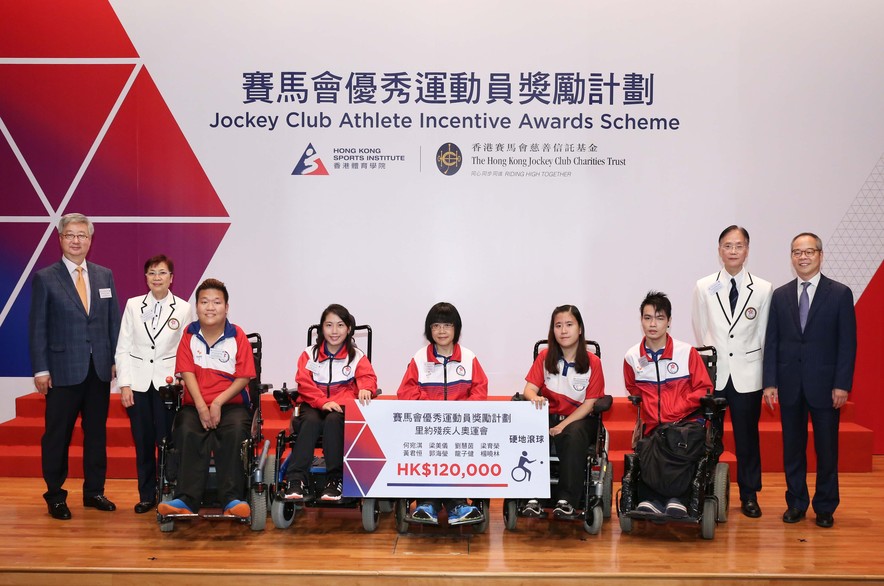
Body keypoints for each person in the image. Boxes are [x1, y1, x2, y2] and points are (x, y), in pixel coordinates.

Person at [29, 213, 121, 520]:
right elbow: (38, 327)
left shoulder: (104, 275)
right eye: (70, 235)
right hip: (62, 370)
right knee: (57, 435)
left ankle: (94, 491)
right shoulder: (45, 277)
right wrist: (41, 369)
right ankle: (55, 495)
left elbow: (112, 323)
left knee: (96, 434)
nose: (76, 240)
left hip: (98, 370)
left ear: (90, 240)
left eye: (82, 235)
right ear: (60, 238)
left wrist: (114, 361)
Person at [763, 232, 856, 528]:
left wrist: (842, 384)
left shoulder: (840, 293)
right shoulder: (780, 296)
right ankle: (796, 503)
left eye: (809, 252)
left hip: (826, 387)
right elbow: (772, 341)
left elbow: (847, 343)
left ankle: (826, 506)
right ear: (791, 257)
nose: (803, 257)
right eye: (796, 252)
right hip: (789, 385)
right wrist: (770, 383)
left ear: (820, 255)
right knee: (793, 448)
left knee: (827, 450)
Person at [691, 225, 772, 518]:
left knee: (747, 437)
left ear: (747, 250)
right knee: (711, 438)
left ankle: (749, 495)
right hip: (715, 376)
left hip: (748, 375)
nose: (733, 251)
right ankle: (709, 490)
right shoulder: (704, 286)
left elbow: (763, 334)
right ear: (719, 250)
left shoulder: (763, 288)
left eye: (739, 246)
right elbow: (701, 330)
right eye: (728, 245)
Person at [157, 279, 256, 518]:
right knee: (186, 430)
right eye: (204, 302)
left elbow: (244, 377)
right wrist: (202, 406)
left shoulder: (238, 335)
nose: (210, 307)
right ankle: (186, 500)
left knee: (233, 433)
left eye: (216, 302)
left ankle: (232, 499)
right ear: (197, 306)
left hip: (231, 404)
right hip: (196, 405)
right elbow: (186, 373)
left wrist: (218, 403)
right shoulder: (189, 334)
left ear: (226, 307)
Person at [397, 302, 488, 525]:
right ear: (429, 329)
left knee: (455, 451)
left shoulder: (469, 358)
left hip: (460, 428)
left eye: (447, 325)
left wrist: (460, 412)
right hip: (427, 427)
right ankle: (431, 503)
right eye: (436, 326)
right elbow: (406, 391)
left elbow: (480, 389)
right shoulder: (419, 358)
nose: (441, 331)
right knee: (431, 451)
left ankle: (453, 503)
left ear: (456, 329)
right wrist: (432, 410)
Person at [623, 291, 712, 517]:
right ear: (641, 320)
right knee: (648, 444)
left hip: (686, 422)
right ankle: (652, 500)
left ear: (669, 321)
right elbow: (634, 390)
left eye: (659, 318)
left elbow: (705, 388)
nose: (653, 324)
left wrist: (676, 410)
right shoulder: (632, 357)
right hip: (654, 425)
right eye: (648, 317)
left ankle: (675, 499)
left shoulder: (686, 352)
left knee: (675, 439)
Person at [114, 255, 192, 513]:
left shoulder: (182, 308)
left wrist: (181, 380)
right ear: (145, 277)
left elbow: (185, 348)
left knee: (167, 440)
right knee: (143, 440)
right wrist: (124, 384)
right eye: (151, 273)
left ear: (171, 277)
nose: (156, 277)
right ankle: (146, 494)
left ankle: (168, 491)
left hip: (167, 384)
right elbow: (123, 347)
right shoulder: (133, 305)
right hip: (137, 383)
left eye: (161, 272)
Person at [283, 304, 378, 501]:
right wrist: (322, 401)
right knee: (310, 420)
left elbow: (368, 377)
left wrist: (366, 388)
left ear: (349, 328)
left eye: (340, 325)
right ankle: (295, 479)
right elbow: (303, 382)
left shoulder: (357, 356)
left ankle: (335, 480)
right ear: (321, 328)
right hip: (313, 404)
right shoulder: (310, 354)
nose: (334, 331)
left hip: (342, 409)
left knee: (333, 421)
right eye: (329, 325)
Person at [522, 304, 605, 519]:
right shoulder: (545, 358)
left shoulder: (592, 362)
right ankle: (533, 498)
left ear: (579, 329)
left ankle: (566, 500)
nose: (564, 330)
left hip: (580, 419)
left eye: (569, 324)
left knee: (573, 434)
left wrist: (562, 425)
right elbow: (529, 390)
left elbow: (589, 404)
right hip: (549, 416)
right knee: (530, 429)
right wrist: (536, 397)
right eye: (558, 326)